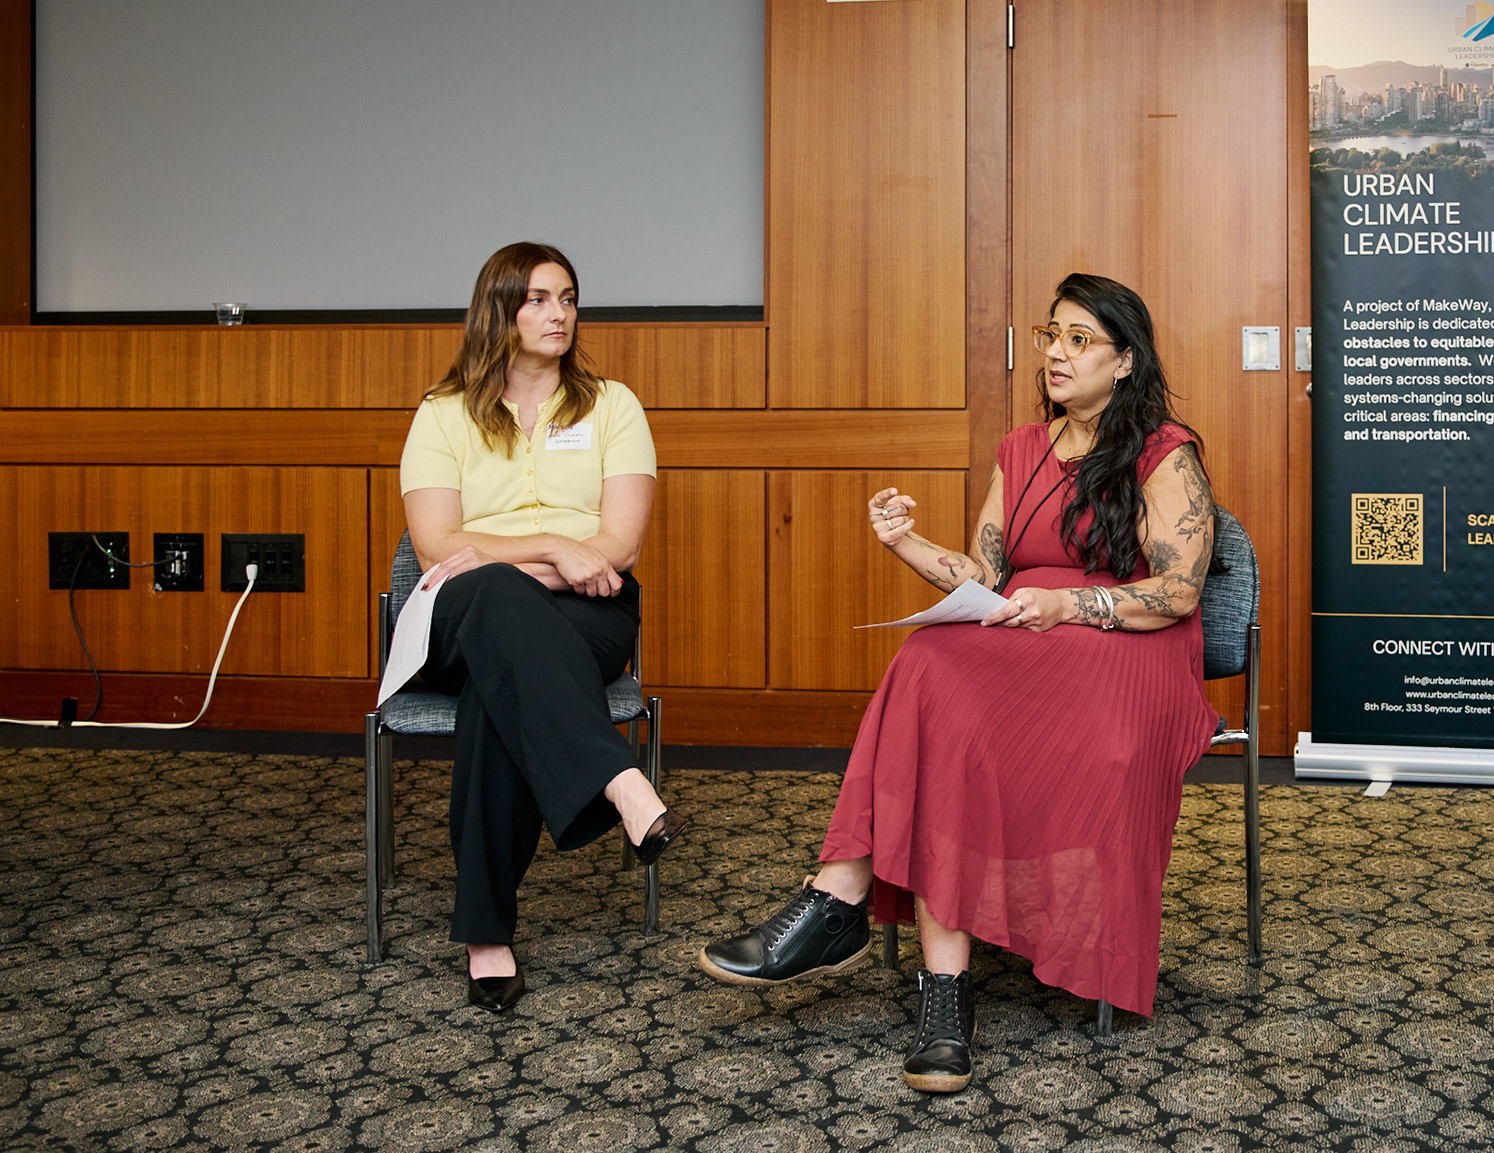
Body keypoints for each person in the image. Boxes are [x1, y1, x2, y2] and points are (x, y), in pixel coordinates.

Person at [699, 273, 1218, 1091]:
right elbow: (985, 573)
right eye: (1053, 332)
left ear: (1124, 361)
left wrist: (1067, 603)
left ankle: (841, 904)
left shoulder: (1163, 449)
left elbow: (1179, 589)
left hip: (1127, 646)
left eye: (1079, 339)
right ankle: (939, 986)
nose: (1055, 351)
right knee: (929, 665)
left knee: (939, 681)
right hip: (1024, 636)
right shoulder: (1021, 448)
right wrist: (904, 543)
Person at [398, 241, 685, 1013]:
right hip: (462, 612)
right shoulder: (441, 413)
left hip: (588, 612)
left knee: (504, 684)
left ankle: (485, 933)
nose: (558, 313)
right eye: (538, 299)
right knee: (492, 601)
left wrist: (506, 560)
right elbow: (435, 548)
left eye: (567, 297)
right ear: (499, 310)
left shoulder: (613, 407)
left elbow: (619, 546)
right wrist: (554, 546)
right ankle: (617, 778)